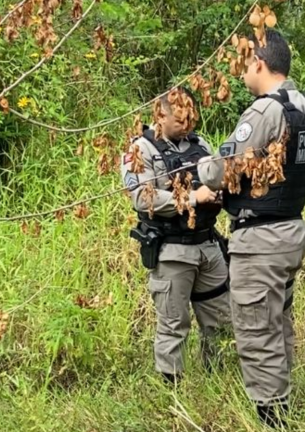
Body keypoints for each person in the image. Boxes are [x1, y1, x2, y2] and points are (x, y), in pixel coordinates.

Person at [198, 30, 305, 428]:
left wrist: (203, 170)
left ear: (259, 64)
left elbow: (221, 169)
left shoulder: (263, 111)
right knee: (278, 321)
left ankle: (271, 418)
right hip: (291, 231)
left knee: (256, 330)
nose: (241, 74)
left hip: (261, 240)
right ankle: (283, 404)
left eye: (244, 65)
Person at [121, 88, 232, 384]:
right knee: (173, 325)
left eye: (191, 116)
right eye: (180, 117)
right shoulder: (140, 150)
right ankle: (172, 391)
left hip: (208, 245)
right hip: (172, 250)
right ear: (160, 115)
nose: (188, 123)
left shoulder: (200, 144)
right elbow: (142, 199)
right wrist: (194, 198)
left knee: (222, 321)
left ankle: (218, 384)